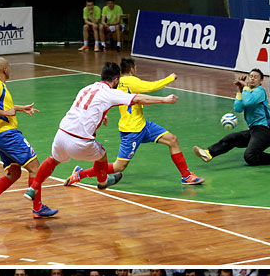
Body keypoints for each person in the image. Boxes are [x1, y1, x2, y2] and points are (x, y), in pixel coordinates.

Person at [28, 62, 178, 216]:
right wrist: (164, 99)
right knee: (102, 155)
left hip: (62, 133)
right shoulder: (110, 93)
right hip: (80, 141)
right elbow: (139, 99)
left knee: (53, 159)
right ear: (115, 80)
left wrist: (101, 114)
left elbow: (83, 108)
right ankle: (102, 182)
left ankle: (33, 188)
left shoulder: (87, 88)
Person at [76, 57, 201, 191]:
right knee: (119, 166)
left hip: (143, 125)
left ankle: (187, 176)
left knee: (172, 140)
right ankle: (80, 174)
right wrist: (170, 78)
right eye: (135, 68)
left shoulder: (117, 83)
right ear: (131, 69)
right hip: (131, 131)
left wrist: (103, 114)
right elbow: (151, 87)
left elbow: (109, 100)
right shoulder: (132, 81)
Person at [0, 57, 58, 223]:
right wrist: (6, 114)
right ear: (5, 69)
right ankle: (38, 208)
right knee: (35, 168)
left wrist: (20, 108)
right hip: (8, 136)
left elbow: (3, 107)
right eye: (10, 67)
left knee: (14, 173)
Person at [195, 67, 270, 168]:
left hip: (265, 131)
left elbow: (248, 102)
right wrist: (240, 90)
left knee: (250, 156)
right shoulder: (247, 92)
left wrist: (245, 86)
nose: (252, 79)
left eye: (256, 77)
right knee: (231, 138)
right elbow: (238, 108)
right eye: (250, 76)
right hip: (254, 131)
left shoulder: (260, 91)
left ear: (261, 81)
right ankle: (209, 153)